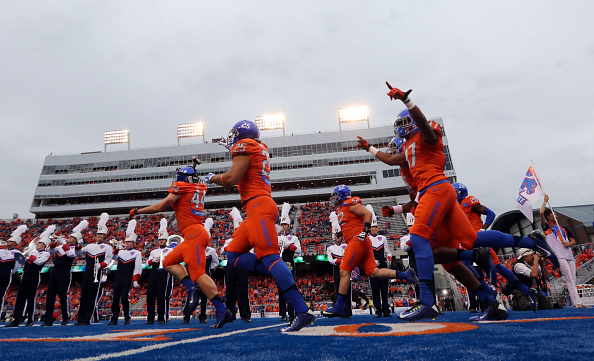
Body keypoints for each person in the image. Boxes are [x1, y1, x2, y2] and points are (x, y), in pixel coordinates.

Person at [356, 82, 559, 321]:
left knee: (419, 240)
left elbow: (425, 128)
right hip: (436, 194)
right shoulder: (409, 149)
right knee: (465, 244)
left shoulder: (426, 136)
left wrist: (407, 102)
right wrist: (369, 147)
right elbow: (391, 160)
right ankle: (495, 293)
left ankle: (428, 302)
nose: (401, 129)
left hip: (435, 191)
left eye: (404, 122)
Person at [204, 120, 314, 332]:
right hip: (255, 208)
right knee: (233, 254)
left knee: (271, 257)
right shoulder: (258, 147)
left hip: (259, 206)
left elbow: (231, 178)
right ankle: (279, 271)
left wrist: (212, 178)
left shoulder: (244, 147)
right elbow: (247, 163)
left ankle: (302, 310)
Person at [131, 161, 232, 328]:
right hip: (193, 233)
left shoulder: (181, 187)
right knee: (169, 262)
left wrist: (137, 211)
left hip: (194, 234)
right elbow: (194, 184)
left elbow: (161, 206)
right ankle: (191, 288)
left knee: (199, 274)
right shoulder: (200, 187)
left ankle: (222, 310)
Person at [321, 185, 417, 319]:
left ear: (342, 195)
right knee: (373, 271)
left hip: (358, 240)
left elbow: (368, 213)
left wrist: (365, 230)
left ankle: (339, 306)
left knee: (343, 270)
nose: (334, 198)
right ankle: (406, 274)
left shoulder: (350, 203)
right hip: (360, 241)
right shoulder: (341, 208)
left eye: (336, 195)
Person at [453, 182, 531, 311]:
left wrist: (483, 230)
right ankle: (488, 294)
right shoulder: (457, 207)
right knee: (477, 267)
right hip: (468, 241)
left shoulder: (469, 202)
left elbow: (490, 214)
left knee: (490, 266)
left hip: (477, 239)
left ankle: (519, 290)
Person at [540, 195, 586, 308]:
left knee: (573, 280)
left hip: (569, 254)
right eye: (553, 214)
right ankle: (577, 303)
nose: (555, 215)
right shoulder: (546, 227)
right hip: (559, 255)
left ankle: (575, 302)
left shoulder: (563, 227)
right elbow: (541, 213)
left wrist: (568, 244)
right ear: (548, 216)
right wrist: (545, 201)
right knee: (569, 279)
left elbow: (573, 240)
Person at [6, 226, 53, 327]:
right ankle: (16, 318)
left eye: (40, 243)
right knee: (20, 297)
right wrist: (25, 254)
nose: (38, 244)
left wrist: (30, 253)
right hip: (26, 274)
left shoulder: (46, 254)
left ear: (44, 245)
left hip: (34, 276)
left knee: (31, 298)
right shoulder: (33, 251)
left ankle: (30, 319)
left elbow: (38, 262)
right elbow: (22, 260)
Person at [43, 221, 87, 326]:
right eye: (70, 237)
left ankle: (65, 317)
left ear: (76, 241)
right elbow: (50, 251)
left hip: (65, 272)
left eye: (72, 238)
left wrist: (63, 243)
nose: (69, 239)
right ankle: (48, 320)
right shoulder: (60, 247)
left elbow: (71, 255)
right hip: (55, 271)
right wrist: (54, 243)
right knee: (50, 295)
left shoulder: (74, 249)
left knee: (63, 295)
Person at [75, 213, 113, 325]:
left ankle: (87, 319)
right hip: (87, 271)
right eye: (98, 234)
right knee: (84, 295)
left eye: (101, 234)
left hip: (97, 272)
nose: (99, 236)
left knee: (92, 296)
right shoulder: (90, 246)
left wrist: (100, 265)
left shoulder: (107, 247)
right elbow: (78, 253)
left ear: (104, 236)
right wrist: (78, 245)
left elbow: (108, 261)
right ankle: (80, 319)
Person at [108, 220, 142, 325]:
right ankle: (114, 318)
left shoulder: (136, 253)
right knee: (116, 297)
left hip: (127, 276)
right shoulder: (121, 252)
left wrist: (136, 279)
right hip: (119, 276)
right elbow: (113, 258)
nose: (126, 243)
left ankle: (127, 315)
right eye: (126, 242)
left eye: (129, 242)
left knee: (124, 297)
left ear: (133, 243)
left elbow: (138, 267)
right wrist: (116, 250)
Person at [222, 207, 252, 323]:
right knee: (230, 290)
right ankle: (230, 314)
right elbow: (223, 251)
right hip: (231, 265)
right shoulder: (229, 241)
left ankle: (245, 315)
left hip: (243, 265)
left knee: (243, 289)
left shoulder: (247, 239)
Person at [366, 205, 393, 318]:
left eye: (376, 226)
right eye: (373, 227)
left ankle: (386, 310)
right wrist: (371, 262)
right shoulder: (366, 239)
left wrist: (389, 261)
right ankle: (378, 310)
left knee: (384, 288)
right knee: (375, 289)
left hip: (382, 264)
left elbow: (388, 252)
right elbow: (365, 254)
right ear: (370, 228)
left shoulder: (383, 238)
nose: (376, 228)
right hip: (372, 266)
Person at [277, 202, 302, 323]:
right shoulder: (276, 237)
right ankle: (282, 313)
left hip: (290, 262)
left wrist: (289, 245)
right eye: (282, 224)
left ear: (289, 226)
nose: (283, 226)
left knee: (290, 288)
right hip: (279, 263)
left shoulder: (294, 238)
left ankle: (292, 312)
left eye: (285, 224)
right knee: (280, 289)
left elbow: (299, 250)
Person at [145, 223, 174, 324]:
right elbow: (147, 263)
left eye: (163, 239)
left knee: (162, 295)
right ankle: (150, 318)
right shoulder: (154, 251)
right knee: (150, 295)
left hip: (165, 272)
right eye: (160, 239)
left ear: (166, 240)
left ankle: (162, 317)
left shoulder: (170, 250)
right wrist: (153, 260)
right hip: (154, 271)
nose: (161, 241)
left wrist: (164, 259)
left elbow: (173, 261)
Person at [326, 211, 352, 318]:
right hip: (337, 270)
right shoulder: (330, 248)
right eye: (336, 235)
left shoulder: (346, 245)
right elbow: (330, 260)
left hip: (346, 269)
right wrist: (341, 261)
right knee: (338, 290)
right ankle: (340, 311)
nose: (337, 237)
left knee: (348, 291)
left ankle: (348, 312)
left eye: (339, 235)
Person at [0, 225, 26, 321]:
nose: (8, 242)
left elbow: (17, 267)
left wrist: (8, 272)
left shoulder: (17, 253)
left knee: (0, 295)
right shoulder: (1, 250)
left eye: (10, 241)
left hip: (5, 274)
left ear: (15, 243)